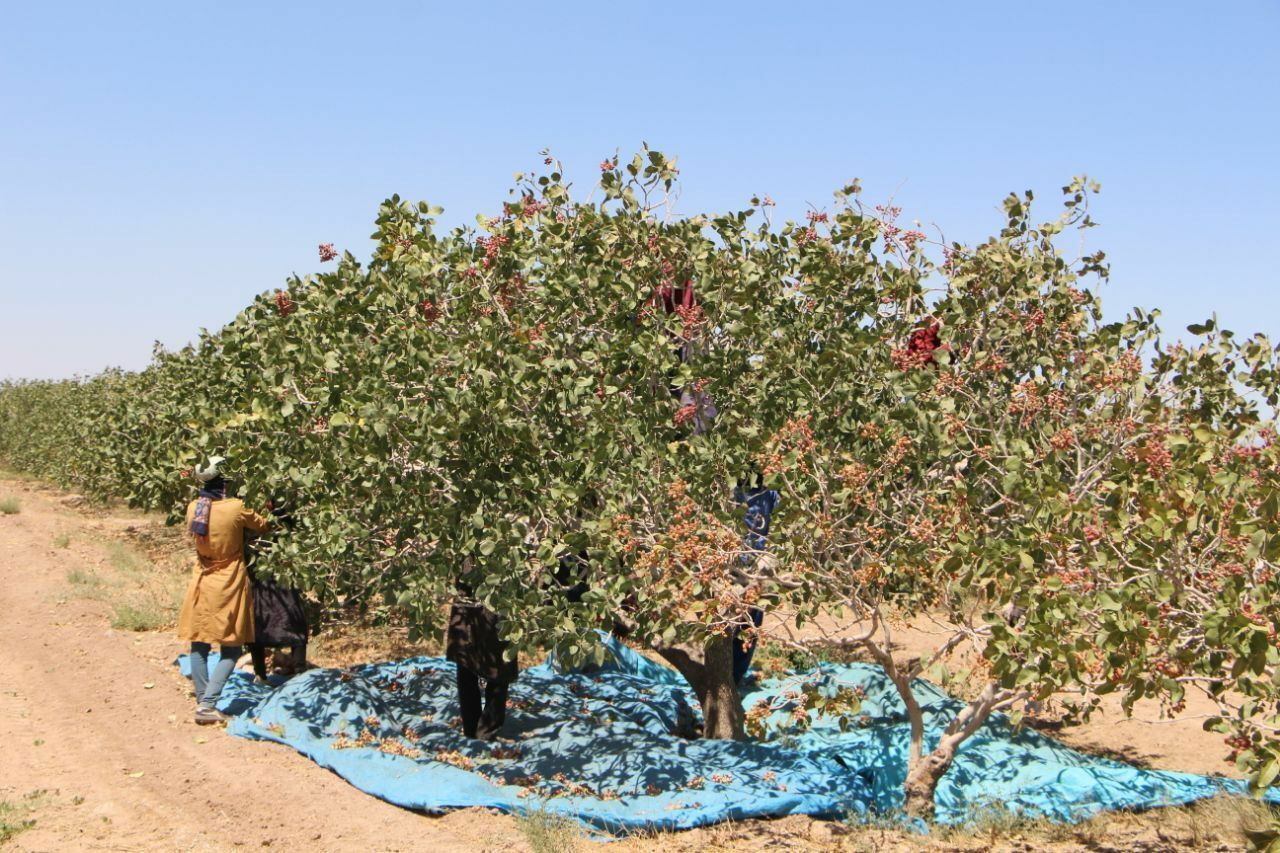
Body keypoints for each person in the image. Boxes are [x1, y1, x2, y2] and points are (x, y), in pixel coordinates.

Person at [176, 456, 270, 724]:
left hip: (202, 579)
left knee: (200, 642)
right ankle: (208, 704)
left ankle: (203, 700)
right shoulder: (235, 508)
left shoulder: (194, 507)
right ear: (225, 482)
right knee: (231, 647)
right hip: (228, 581)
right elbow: (263, 525)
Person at [446, 561, 517, 740]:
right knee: (466, 652)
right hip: (470, 575)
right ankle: (476, 728)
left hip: (499, 573)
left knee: (499, 651)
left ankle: (486, 729)